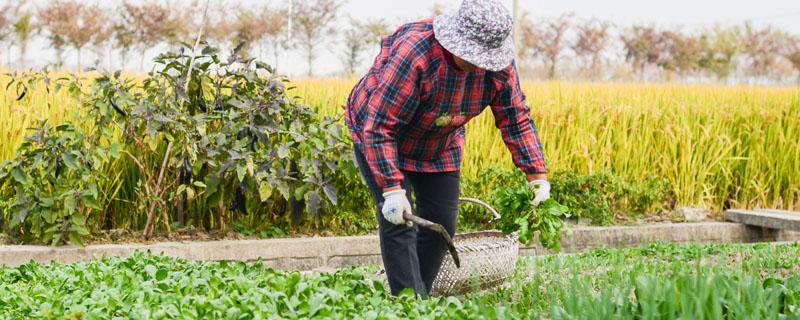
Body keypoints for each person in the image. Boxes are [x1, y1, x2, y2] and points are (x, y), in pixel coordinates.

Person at [345, 0, 550, 297]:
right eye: (472, 56)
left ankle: (420, 296)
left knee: (442, 224)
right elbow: (379, 126)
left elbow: (515, 116)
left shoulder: (497, 66)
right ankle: (409, 305)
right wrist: (391, 190)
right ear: (455, 41)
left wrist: (536, 174)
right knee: (400, 223)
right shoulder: (415, 54)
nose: (479, 64)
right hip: (381, 136)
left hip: (440, 143)